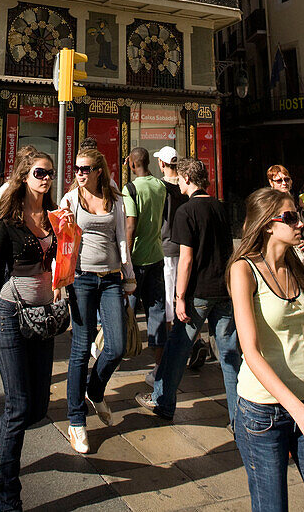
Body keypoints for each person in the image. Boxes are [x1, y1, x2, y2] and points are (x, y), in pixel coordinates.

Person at [228, 188, 304, 512]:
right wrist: (301, 414)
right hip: (262, 413)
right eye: (291, 218)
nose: (300, 224)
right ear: (267, 224)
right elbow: (250, 352)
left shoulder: (296, 264)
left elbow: (301, 337)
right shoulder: (244, 270)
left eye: (299, 217)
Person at [0, 151, 61, 512]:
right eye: (40, 172)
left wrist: (71, 234)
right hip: (10, 313)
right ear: (25, 176)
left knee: (38, 408)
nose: (46, 178)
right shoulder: (9, 219)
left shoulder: (55, 217)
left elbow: (65, 260)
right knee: (20, 404)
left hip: (42, 314)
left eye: (51, 173)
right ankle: (9, 498)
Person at [136, 158, 240, 427]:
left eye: (180, 179)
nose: (178, 183)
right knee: (229, 357)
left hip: (198, 293)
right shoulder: (219, 207)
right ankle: (240, 419)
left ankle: (162, 400)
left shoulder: (186, 211)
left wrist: (180, 296)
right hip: (224, 290)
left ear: (186, 178)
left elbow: (186, 259)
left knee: (177, 349)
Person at [59, 140, 135, 454]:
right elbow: (62, 243)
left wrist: (128, 275)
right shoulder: (70, 199)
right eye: (75, 169)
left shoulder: (114, 198)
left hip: (111, 279)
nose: (78, 173)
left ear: (98, 171)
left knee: (116, 347)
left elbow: (120, 237)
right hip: (81, 279)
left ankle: (96, 389)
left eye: (84, 169)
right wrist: (60, 279)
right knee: (80, 348)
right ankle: (76, 419)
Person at [123, 147, 167, 380]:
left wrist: (125, 258)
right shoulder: (160, 186)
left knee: (126, 307)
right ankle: (159, 363)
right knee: (156, 309)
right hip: (156, 255)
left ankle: (116, 351)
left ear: (131, 163)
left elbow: (130, 225)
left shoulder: (130, 189)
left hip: (137, 258)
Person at [154, 146, 184, 329]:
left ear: (162, 163)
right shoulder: (184, 185)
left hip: (165, 243)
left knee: (167, 287)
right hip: (185, 244)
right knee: (182, 286)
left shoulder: (160, 187)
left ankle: (169, 324)